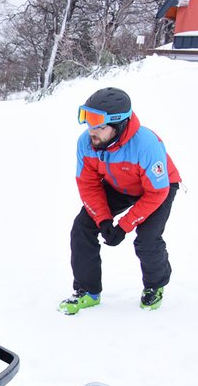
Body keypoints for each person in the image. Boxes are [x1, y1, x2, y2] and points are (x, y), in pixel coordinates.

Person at [59, 87, 181, 314]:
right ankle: (87, 290)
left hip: (157, 188)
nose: (91, 132)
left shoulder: (146, 144)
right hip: (119, 186)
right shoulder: (86, 143)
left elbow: (156, 193)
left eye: (100, 126)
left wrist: (124, 226)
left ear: (119, 125)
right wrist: (103, 220)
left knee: (147, 238)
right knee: (82, 227)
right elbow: (89, 184)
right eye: (88, 123)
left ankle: (155, 286)